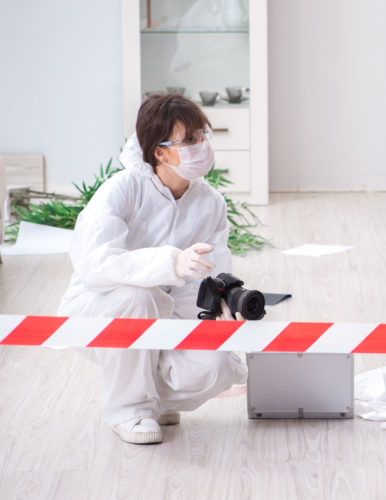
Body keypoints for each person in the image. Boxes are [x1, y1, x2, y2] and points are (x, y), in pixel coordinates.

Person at [58, 94, 246, 444]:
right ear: (159, 152)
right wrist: (168, 263)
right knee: (138, 296)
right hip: (102, 309)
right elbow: (95, 267)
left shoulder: (210, 203)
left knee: (217, 367)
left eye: (202, 135)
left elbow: (211, 276)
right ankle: (128, 410)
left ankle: (152, 401)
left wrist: (222, 313)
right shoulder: (122, 190)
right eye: (188, 140)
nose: (201, 145)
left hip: (170, 313)